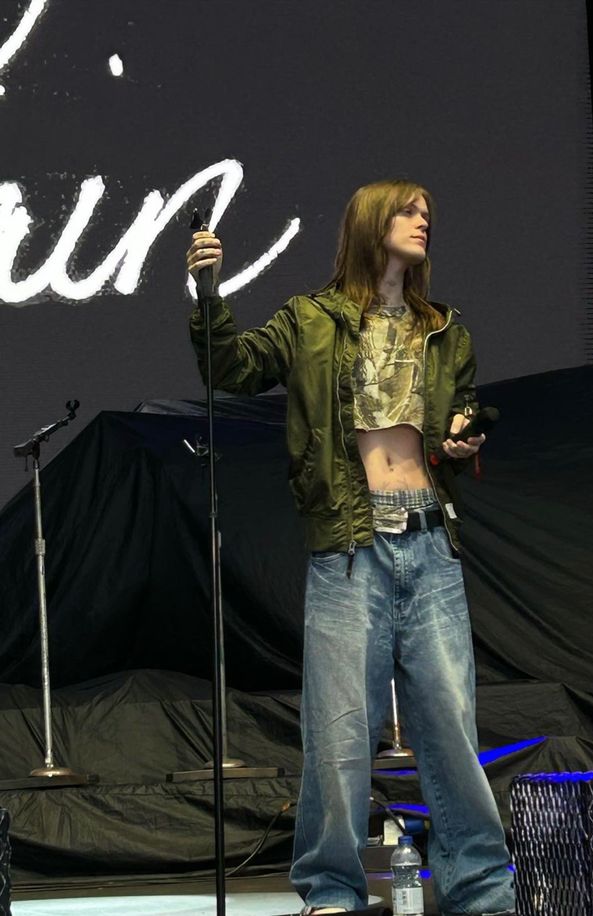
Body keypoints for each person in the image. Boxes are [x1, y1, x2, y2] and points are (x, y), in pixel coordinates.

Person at [187, 179, 516, 916]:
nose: (424, 220)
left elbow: (447, 432)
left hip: (430, 539)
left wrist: (460, 440)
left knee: (450, 730)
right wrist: (208, 295)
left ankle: (481, 890)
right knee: (338, 738)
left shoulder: (445, 329)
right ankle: (333, 891)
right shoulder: (310, 319)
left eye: (429, 212)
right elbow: (232, 369)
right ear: (372, 224)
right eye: (409, 210)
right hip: (349, 545)